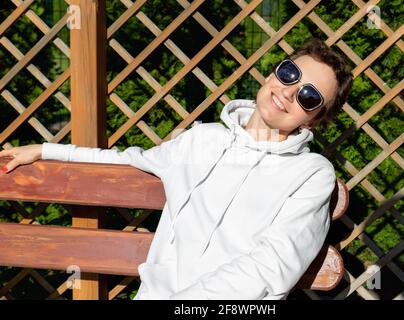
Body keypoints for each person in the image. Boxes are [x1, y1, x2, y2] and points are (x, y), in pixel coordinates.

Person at [0, 38, 353, 300]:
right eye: (289, 73)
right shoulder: (202, 141)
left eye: (309, 97)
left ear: (315, 120)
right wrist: (45, 150)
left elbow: (271, 268)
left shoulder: (311, 174)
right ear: (273, 72)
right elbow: (124, 159)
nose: (289, 91)